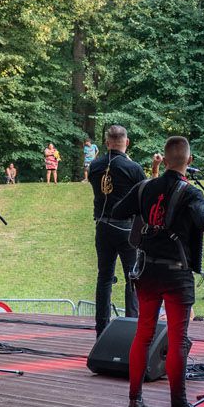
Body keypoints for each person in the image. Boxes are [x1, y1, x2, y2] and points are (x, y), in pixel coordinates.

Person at [112, 136, 204, 407]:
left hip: (147, 272)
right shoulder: (191, 193)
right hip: (177, 275)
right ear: (189, 161)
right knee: (178, 339)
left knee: (143, 334)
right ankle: (179, 405)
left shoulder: (145, 187)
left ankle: (135, 401)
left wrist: (145, 216)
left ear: (165, 160)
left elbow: (119, 211)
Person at [86, 124, 146, 337]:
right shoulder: (133, 168)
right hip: (127, 228)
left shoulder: (94, 166)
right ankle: (132, 329)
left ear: (106, 142)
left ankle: (101, 329)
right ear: (126, 142)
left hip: (103, 226)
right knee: (132, 278)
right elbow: (144, 194)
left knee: (104, 278)